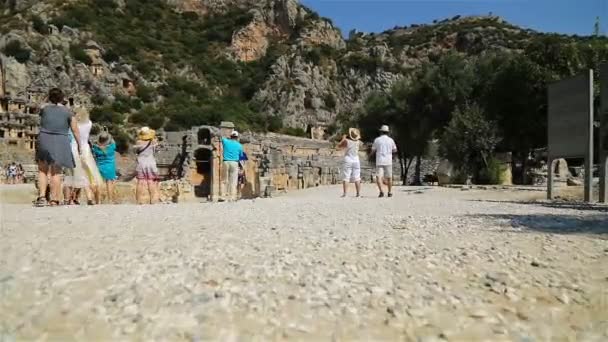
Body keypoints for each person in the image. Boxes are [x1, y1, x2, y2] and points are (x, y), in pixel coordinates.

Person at [35, 88, 81, 206]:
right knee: (56, 171)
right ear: (62, 98)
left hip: (44, 138)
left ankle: (41, 197)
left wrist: (48, 98)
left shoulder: (44, 108)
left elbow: (41, 105)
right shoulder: (68, 111)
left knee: (42, 169)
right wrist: (79, 144)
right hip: (61, 140)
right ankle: (54, 199)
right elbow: (75, 129)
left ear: (49, 97)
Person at [75, 107, 104, 205]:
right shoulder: (89, 123)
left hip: (76, 147)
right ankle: (94, 197)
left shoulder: (75, 124)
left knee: (80, 173)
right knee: (90, 173)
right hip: (86, 149)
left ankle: (86, 196)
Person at [134, 127, 160, 205]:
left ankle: (138, 201)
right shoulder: (153, 142)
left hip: (141, 163)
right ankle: (152, 200)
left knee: (140, 182)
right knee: (150, 181)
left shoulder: (138, 142)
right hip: (151, 163)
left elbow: (135, 152)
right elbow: (157, 151)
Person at [372, 125, 397, 198]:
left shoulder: (377, 140)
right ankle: (389, 192)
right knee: (389, 177)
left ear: (381, 132)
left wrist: (370, 155)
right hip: (388, 160)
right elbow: (395, 150)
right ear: (387, 132)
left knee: (379, 177)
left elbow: (373, 150)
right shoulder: (391, 140)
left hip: (379, 160)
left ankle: (381, 191)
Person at [92, 131, 117, 204]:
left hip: (100, 166)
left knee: (99, 184)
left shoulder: (96, 148)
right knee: (109, 183)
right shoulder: (112, 146)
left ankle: (98, 200)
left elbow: (94, 146)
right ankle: (110, 200)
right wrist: (109, 134)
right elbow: (112, 141)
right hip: (110, 167)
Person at [337, 128, 362, 197]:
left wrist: (343, 138)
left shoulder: (347, 141)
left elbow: (338, 146)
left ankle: (345, 193)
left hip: (348, 159)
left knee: (346, 176)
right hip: (356, 159)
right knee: (357, 177)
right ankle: (358, 193)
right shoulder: (358, 142)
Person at [220, 130, 244, 202]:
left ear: (231, 136)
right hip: (234, 163)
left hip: (226, 162)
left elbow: (221, 136)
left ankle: (223, 196)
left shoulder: (225, 141)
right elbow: (241, 156)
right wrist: (242, 166)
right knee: (233, 181)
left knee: (224, 180)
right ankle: (232, 197)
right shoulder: (239, 145)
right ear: (237, 137)